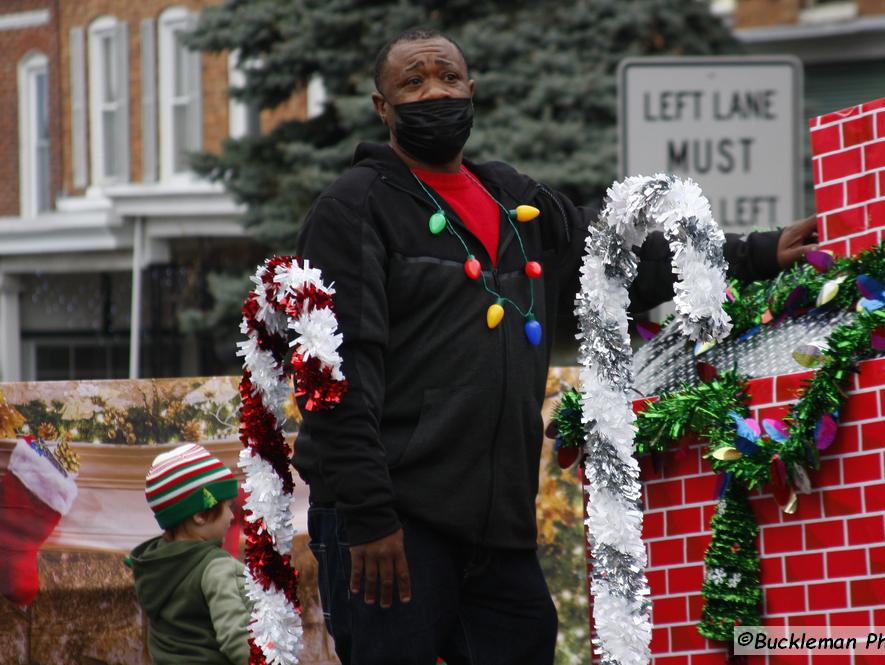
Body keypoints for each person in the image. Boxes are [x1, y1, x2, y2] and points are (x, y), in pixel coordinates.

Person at [292, 27, 818, 665]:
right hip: (392, 525)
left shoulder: (517, 199)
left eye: (449, 78)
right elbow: (336, 375)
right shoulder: (354, 208)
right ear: (383, 107)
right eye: (413, 81)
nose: (435, 92)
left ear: (472, 91)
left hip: (497, 524)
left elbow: (615, 267)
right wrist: (370, 518)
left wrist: (756, 252)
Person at [127, 443, 250, 665]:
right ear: (200, 515)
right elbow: (240, 642)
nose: (232, 516)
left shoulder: (154, 567)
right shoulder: (216, 568)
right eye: (227, 506)